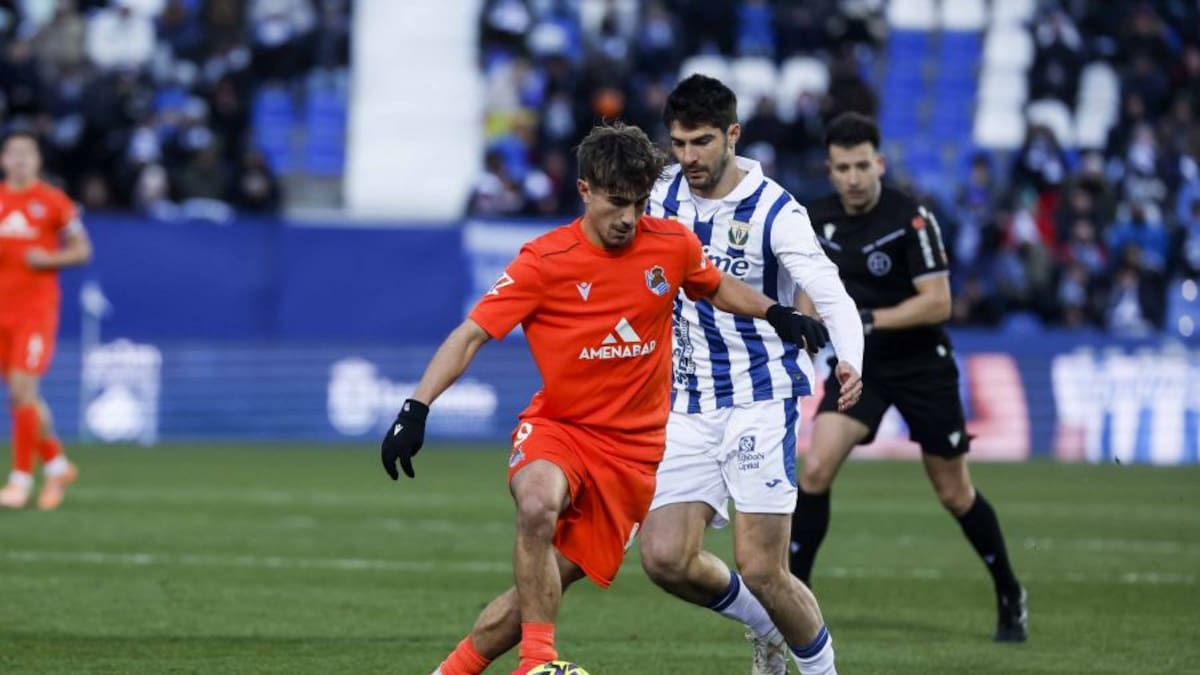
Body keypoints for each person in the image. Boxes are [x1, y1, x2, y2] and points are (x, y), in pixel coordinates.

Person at [379, 123, 832, 675]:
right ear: (585, 190)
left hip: (632, 459)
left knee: (536, 591)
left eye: (640, 204)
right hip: (560, 428)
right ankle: (537, 664)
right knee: (538, 502)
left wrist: (774, 311)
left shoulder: (670, 244)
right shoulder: (544, 261)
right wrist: (416, 407)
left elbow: (712, 285)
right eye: (618, 203)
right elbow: (471, 333)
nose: (629, 218)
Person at [639, 74, 863, 675]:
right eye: (679, 144)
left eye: (702, 143)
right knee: (663, 557)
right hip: (688, 402)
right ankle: (766, 627)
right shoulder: (661, 195)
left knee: (764, 568)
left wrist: (850, 360)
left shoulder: (775, 210)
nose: (688, 157)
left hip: (761, 398)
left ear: (732, 135)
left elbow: (830, 292)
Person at [789, 112, 1028, 642]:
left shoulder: (911, 216)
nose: (852, 177)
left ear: (879, 162)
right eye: (841, 167)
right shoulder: (814, 218)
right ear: (829, 170)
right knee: (816, 469)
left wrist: (865, 320)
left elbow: (938, 302)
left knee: (953, 491)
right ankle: (791, 603)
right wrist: (808, 326)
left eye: (860, 165)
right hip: (863, 368)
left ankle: (1010, 591)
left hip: (923, 367)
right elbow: (810, 286)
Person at [0, 130, 92, 510]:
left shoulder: (52, 202)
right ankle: (56, 464)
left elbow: (83, 250)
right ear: (4, 159)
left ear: (38, 161)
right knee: (24, 397)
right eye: (14, 153)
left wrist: (50, 259)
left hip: (35, 311)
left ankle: (20, 481)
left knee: (22, 389)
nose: (20, 159)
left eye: (28, 153)